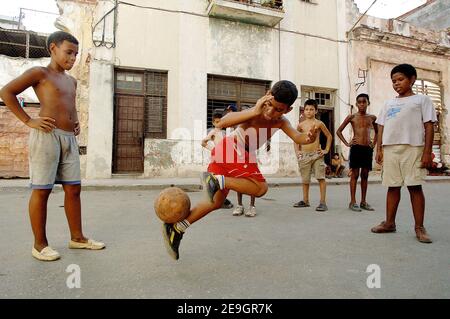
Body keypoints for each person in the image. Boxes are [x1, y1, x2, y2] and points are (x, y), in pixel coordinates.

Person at [162, 80, 317, 259]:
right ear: (267, 96)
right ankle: (216, 180)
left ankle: (176, 228)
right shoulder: (254, 112)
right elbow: (223, 123)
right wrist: (254, 110)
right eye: (270, 105)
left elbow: (298, 137)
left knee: (216, 202)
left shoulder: (281, 122)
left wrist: (309, 138)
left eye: (279, 110)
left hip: (228, 155)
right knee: (260, 187)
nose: (271, 112)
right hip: (232, 150)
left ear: (288, 110)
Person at [0, 31, 105, 261]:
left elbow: (71, 104)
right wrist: (29, 120)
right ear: (52, 49)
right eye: (68, 52)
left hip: (69, 138)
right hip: (46, 135)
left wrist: (75, 120)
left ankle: (77, 238)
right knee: (42, 190)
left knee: (74, 189)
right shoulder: (40, 73)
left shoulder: (72, 81)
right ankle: (40, 245)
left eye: (76, 54)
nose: (72, 58)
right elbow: (6, 92)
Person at [371, 63, 436, 244]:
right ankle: (390, 223)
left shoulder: (422, 100)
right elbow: (381, 126)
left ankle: (419, 227)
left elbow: (429, 126)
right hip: (391, 149)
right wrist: (379, 149)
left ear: (412, 80)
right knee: (392, 187)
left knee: (414, 187)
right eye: (393, 81)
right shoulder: (388, 103)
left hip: (413, 148)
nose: (396, 83)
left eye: (400, 79)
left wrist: (427, 152)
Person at [336, 93, 378, 212]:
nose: (362, 104)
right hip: (356, 148)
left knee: (365, 175)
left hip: (367, 149)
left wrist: (373, 144)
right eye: (359, 102)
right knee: (355, 175)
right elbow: (339, 131)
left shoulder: (372, 118)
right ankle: (352, 201)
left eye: (364, 102)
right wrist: (347, 143)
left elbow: (378, 132)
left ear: (368, 103)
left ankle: (363, 201)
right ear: (356, 104)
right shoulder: (352, 117)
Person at [293, 99, 332, 212]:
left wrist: (326, 150)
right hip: (304, 155)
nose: (309, 111)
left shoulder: (319, 123)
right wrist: (297, 152)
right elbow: (295, 139)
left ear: (316, 111)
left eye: (311, 109)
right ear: (303, 111)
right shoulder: (300, 125)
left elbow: (329, 136)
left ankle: (322, 202)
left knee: (320, 177)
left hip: (316, 154)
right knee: (305, 179)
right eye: (306, 109)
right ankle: (305, 201)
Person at [201, 111, 233, 209]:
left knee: (226, 180)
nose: (219, 124)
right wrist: (213, 149)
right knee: (219, 179)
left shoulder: (224, 132)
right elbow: (203, 142)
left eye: (221, 122)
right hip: (218, 159)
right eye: (217, 122)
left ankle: (221, 199)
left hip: (226, 159)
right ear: (213, 123)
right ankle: (219, 200)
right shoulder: (213, 132)